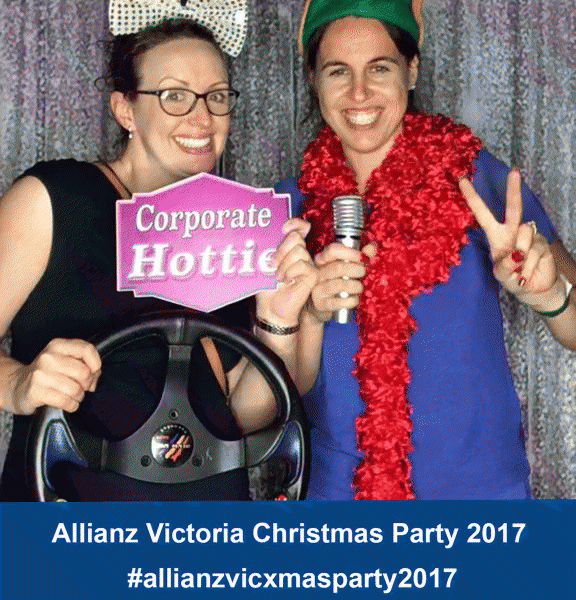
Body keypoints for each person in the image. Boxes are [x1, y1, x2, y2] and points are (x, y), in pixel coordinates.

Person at [0, 8, 316, 500]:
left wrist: (279, 321)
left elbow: (241, 414)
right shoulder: (52, 199)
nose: (202, 118)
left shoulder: (232, 228)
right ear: (125, 109)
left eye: (216, 96)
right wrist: (19, 383)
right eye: (174, 96)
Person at [275, 0, 576, 500]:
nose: (358, 92)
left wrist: (549, 296)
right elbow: (276, 395)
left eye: (380, 67)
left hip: (482, 499)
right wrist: (308, 314)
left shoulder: (475, 180)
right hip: (342, 501)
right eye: (337, 71)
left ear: (411, 70)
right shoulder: (286, 212)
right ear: (313, 79)